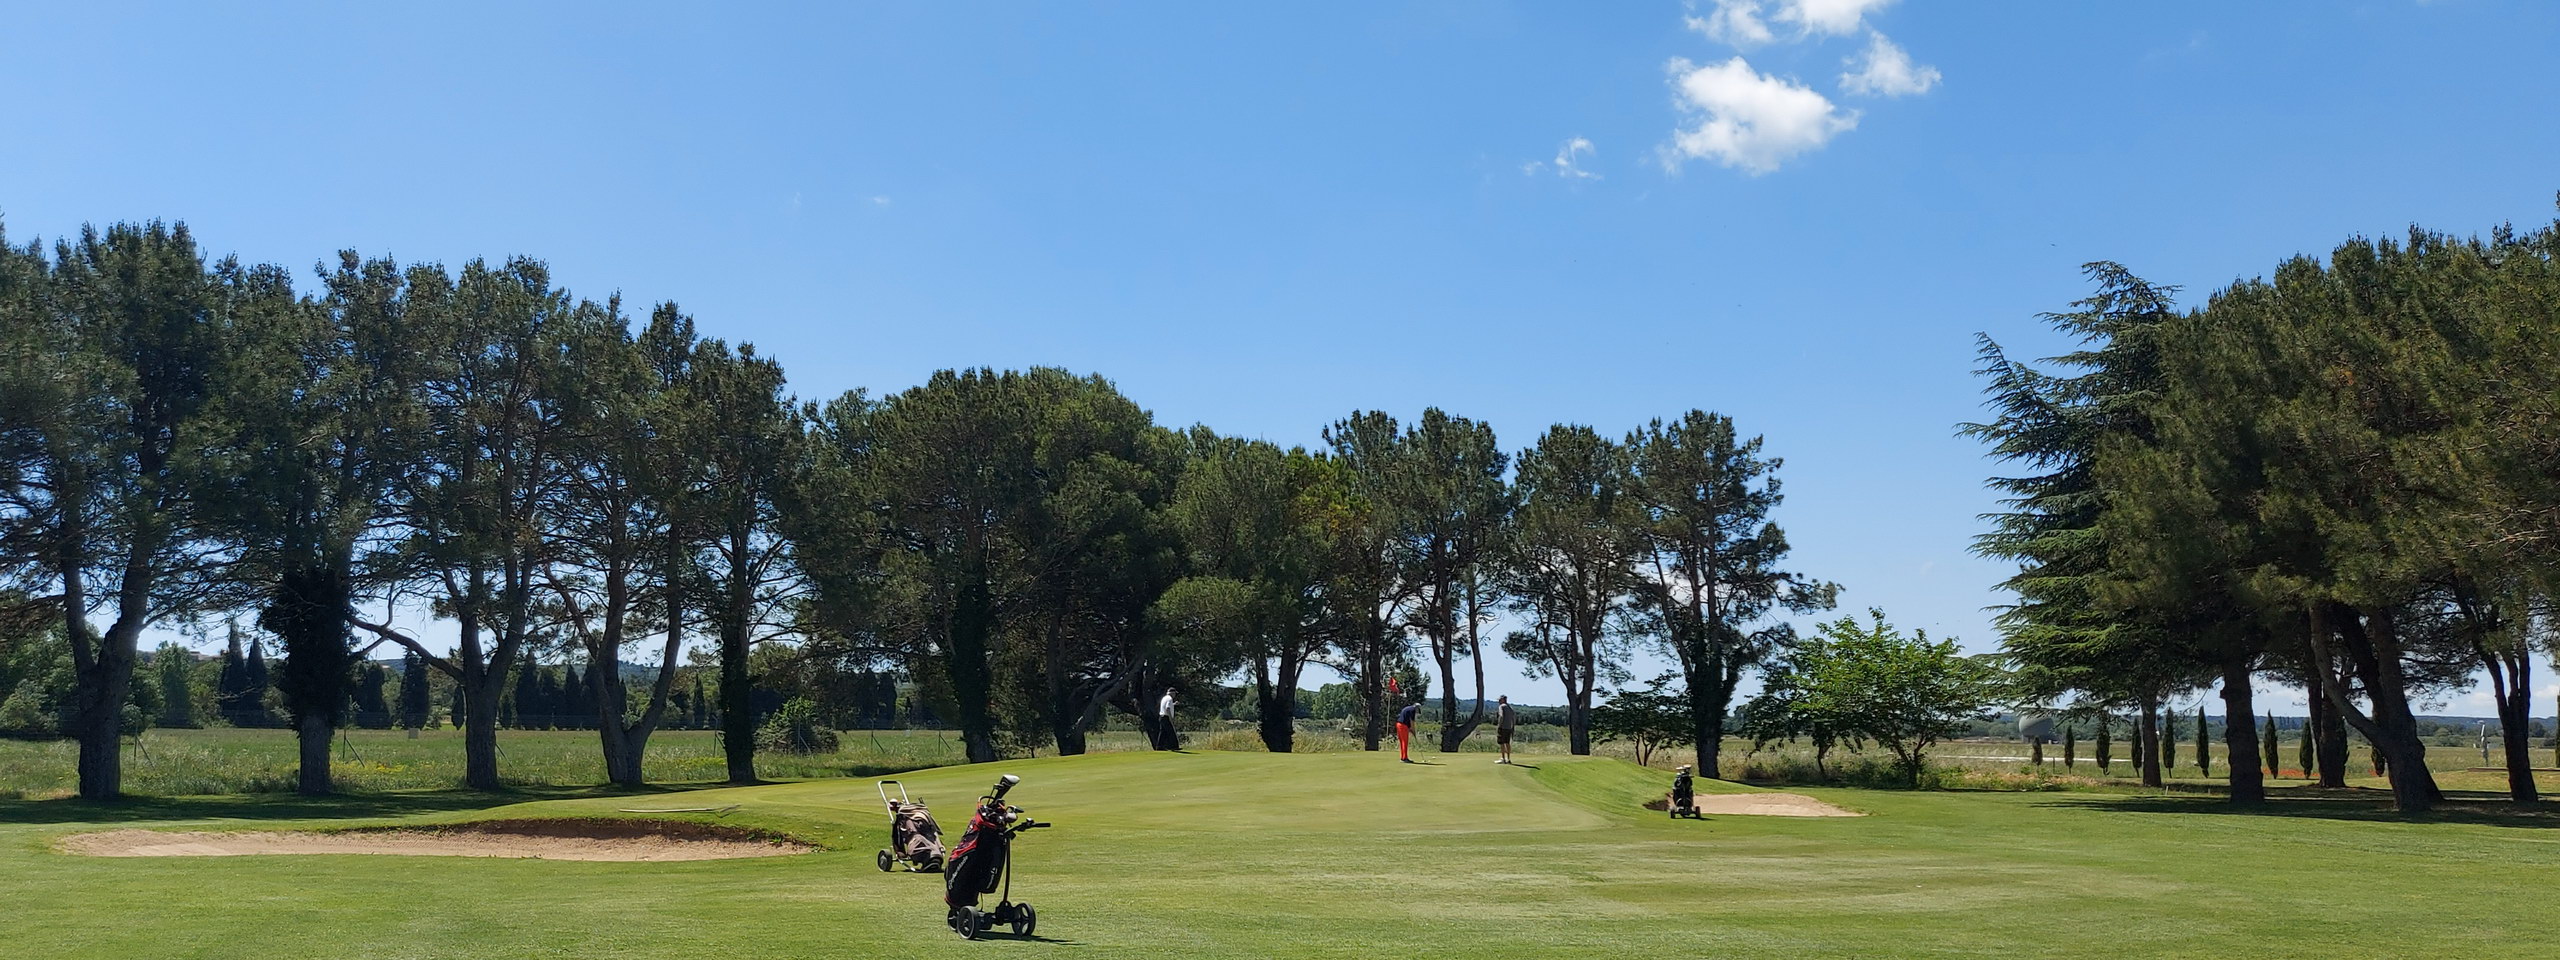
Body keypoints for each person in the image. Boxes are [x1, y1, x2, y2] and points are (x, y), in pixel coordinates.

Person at [1494, 695, 1517, 764]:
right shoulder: (1510, 708)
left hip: (1503, 727)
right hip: (1509, 728)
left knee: (1502, 743)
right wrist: (1512, 726)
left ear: (1503, 700)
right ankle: (1508, 759)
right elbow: (1513, 718)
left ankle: (1503, 758)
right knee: (1507, 743)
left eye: (1499, 700)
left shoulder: (1501, 706)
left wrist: (1499, 725)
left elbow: (1501, 716)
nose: (1498, 701)